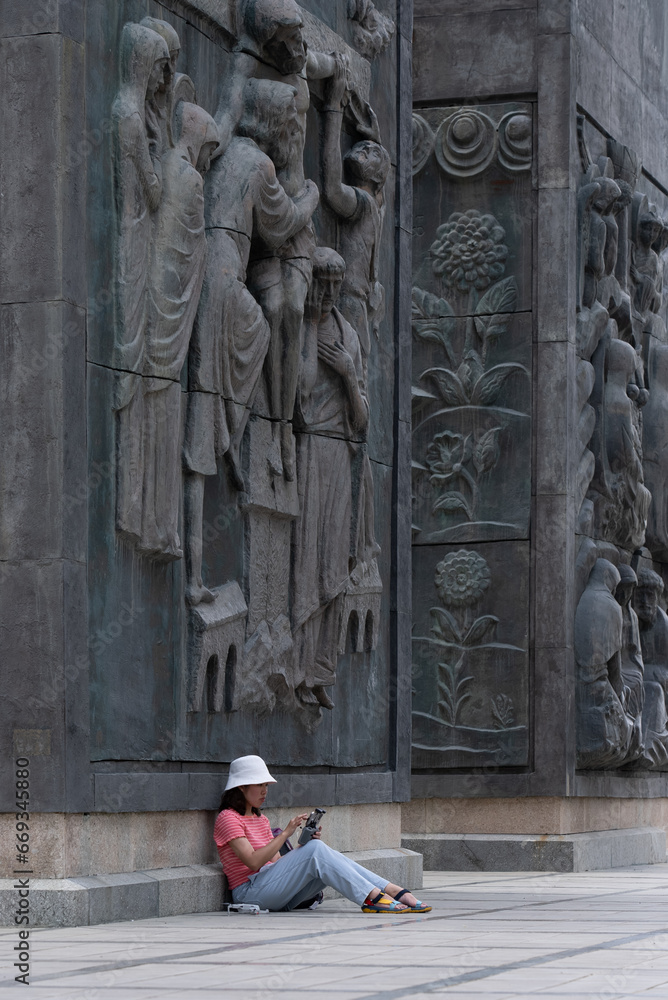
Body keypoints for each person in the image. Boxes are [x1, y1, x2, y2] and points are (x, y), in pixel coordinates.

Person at [214, 755, 431, 914]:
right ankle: (373, 897)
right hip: (250, 893)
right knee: (317, 851)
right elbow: (252, 862)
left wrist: (302, 847)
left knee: (322, 851)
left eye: (266, 785)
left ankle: (388, 889)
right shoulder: (228, 818)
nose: (265, 791)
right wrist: (286, 834)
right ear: (241, 787)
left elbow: (275, 862)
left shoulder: (261, 819)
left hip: (274, 890)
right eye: (259, 785)